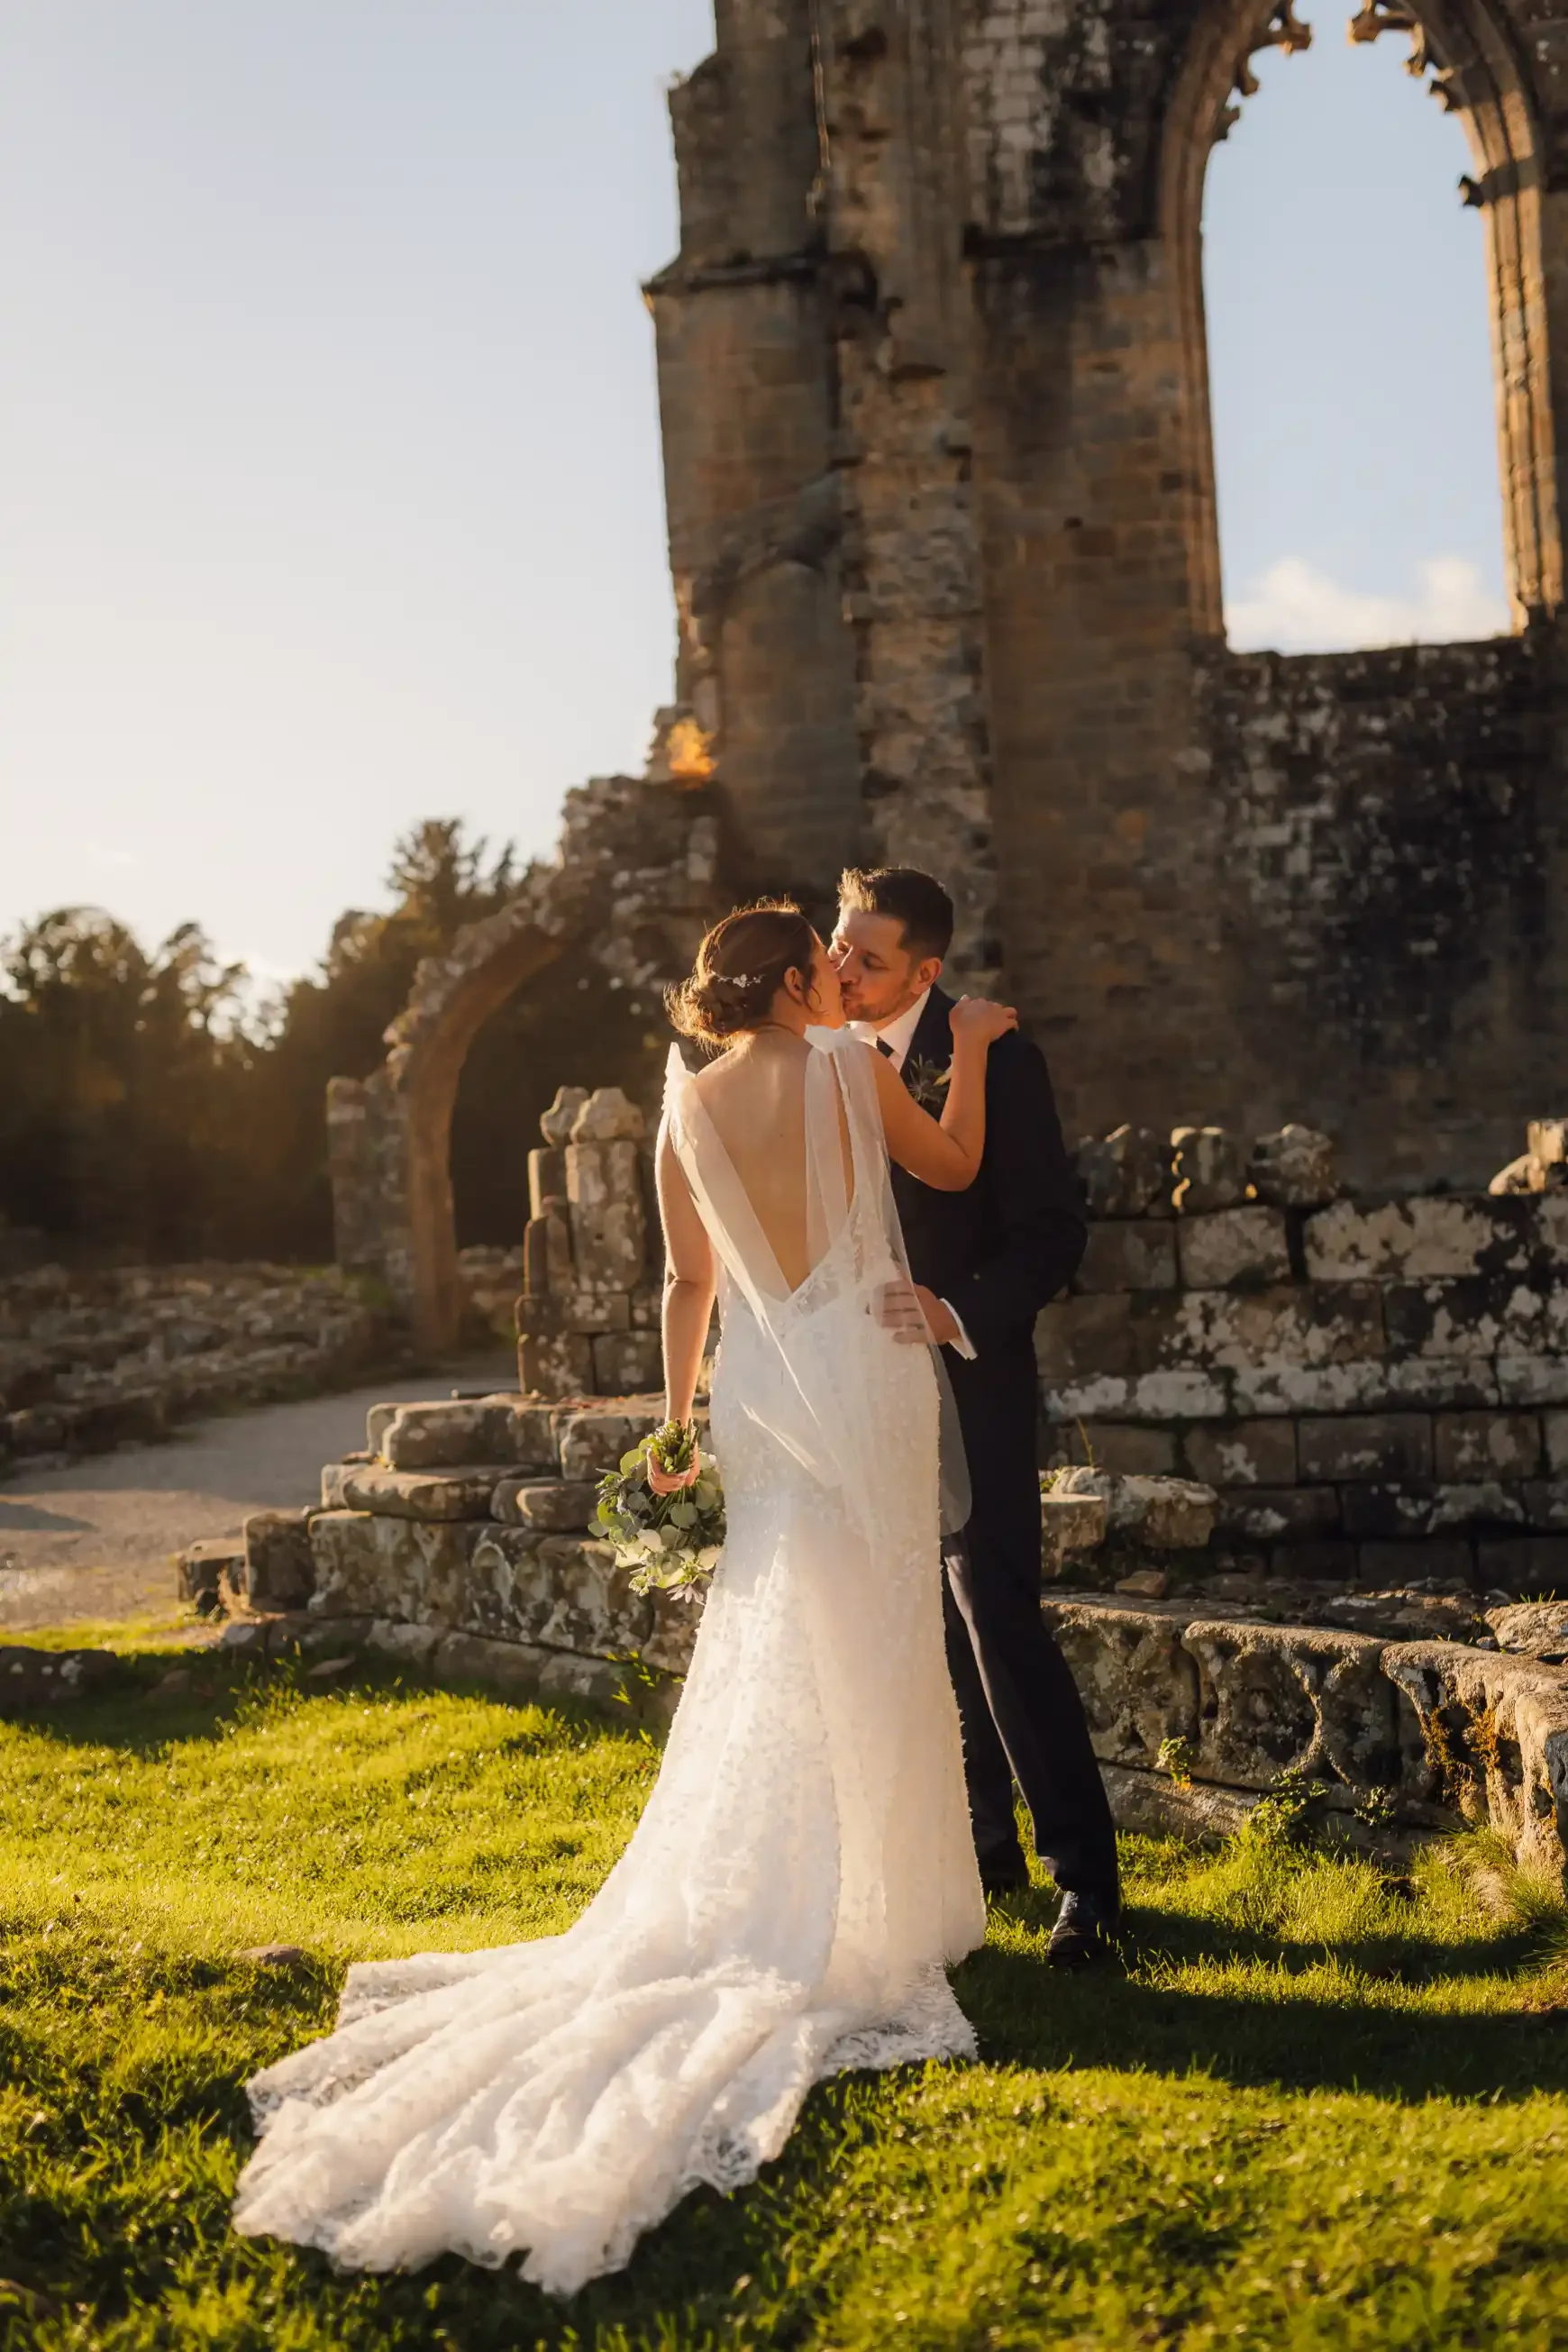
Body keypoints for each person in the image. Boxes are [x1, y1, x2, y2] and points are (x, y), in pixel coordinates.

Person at [232, 898, 1016, 2295]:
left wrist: (673, 1425)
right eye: (824, 965)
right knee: (885, 1625)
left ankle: (806, 1896)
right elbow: (952, 1162)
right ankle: (892, 1910)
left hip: (759, 1390)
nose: (839, 982)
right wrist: (985, 1054)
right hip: (868, 1365)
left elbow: (687, 1282)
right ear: (795, 981)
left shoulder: (686, 1107)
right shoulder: (855, 1066)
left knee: (780, 1621)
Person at [831, 867, 1121, 1965]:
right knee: (918, 1617)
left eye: (867, 959)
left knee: (996, 1614)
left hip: (971, 1375)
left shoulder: (999, 1054)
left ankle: (1086, 1886)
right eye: (838, 946)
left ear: (925, 972)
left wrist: (953, 1312)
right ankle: (981, 1853)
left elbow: (1053, 1234)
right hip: (857, 1385)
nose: (842, 970)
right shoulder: (821, 1056)